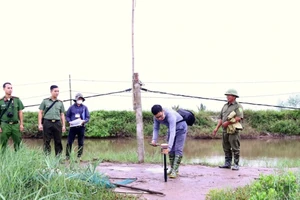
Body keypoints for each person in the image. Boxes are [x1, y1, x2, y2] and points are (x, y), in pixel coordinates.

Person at [151, 104, 188, 178]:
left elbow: (172, 131)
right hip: (171, 129)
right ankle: (172, 168)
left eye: (161, 116)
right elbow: (156, 128)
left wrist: (169, 147)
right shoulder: (156, 118)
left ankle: (175, 170)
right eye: (157, 117)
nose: (160, 118)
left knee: (177, 149)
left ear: (163, 111)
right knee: (171, 151)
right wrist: (154, 140)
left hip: (181, 127)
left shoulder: (170, 115)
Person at [213, 89, 244, 170]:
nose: (227, 97)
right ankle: (227, 164)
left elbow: (239, 118)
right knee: (226, 147)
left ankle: (236, 164)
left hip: (233, 130)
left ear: (234, 96)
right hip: (224, 130)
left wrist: (228, 123)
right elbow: (220, 118)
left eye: (229, 95)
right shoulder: (225, 106)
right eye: (227, 95)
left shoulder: (238, 106)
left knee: (235, 147)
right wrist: (216, 128)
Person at [38, 85, 66, 156]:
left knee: (58, 140)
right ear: (51, 91)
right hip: (47, 122)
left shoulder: (60, 102)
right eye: (55, 91)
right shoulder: (45, 101)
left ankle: (58, 157)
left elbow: (62, 114)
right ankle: (47, 157)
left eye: (58, 91)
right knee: (46, 141)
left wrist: (63, 125)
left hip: (57, 123)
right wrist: (40, 124)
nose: (57, 93)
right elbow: (40, 112)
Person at [0, 82, 24, 152]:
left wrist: (21, 124)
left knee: (18, 143)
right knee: (3, 143)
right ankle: (2, 159)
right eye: (8, 88)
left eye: (11, 88)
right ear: (4, 89)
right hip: (4, 125)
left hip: (15, 125)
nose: (10, 89)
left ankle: (18, 159)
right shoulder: (0, 101)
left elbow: (20, 112)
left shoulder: (17, 100)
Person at [65, 93, 90, 160]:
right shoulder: (71, 108)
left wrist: (84, 121)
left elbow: (88, 117)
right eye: (79, 99)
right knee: (69, 142)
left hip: (81, 127)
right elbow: (67, 116)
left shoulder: (85, 108)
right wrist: (69, 121)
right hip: (73, 127)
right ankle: (67, 156)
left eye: (81, 99)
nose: (80, 100)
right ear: (76, 99)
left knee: (81, 142)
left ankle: (79, 156)